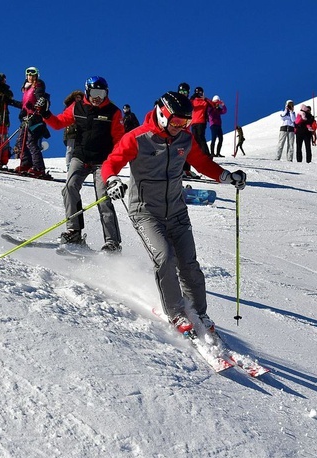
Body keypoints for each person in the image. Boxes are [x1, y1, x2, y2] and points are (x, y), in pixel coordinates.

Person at [100, 91, 247, 336]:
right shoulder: (137, 138)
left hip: (177, 212)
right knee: (165, 259)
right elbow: (111, 162)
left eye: (186, 123)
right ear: (161, 114)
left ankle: (199, 311)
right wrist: (112, 179)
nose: (180, 127)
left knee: (189, 265)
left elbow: (203, 163)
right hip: (146, 212)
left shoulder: (185, 140)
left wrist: (227, 177)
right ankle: (177, 312)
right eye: (176, 122)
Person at [41, 75, 124, 252]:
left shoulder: (113, 112)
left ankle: (112, 243)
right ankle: (74, 232)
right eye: (94, 92)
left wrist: (115, 167)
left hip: (103, 161)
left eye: (101, 93)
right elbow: (58, 123)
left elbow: (119, 141)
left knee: (103, 198)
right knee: (69, 187)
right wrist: (45, 113)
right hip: (80, 157)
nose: (97, 97)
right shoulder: (77, 107)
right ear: (87, 91)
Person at [14, 67, 51, 176]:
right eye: (29, 75)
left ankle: (39, 167)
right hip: (27, 118)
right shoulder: (26, 88)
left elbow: (40, 98)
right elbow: (24, 105)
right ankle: (27, 163)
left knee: (31, 142)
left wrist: (38, 104)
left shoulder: (38, 86)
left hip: (35, 118)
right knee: (21, 141)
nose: (31, 77)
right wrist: (10, 102)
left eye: (33, 75)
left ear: (36, 76)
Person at [62, 90, 84, 171]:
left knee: (77, 150)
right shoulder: (69, 107)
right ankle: (68, 166)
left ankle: (75, 167)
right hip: (71, 131)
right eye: (77, 97)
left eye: (80, 98)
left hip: (79, 131)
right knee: (70, 149)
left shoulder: (83, 108)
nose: (78, 99)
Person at [189, 86, 211, 156]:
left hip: (201, 122)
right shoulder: (193, 101)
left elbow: (212, 105)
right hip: (193, 122)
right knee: (195, 139)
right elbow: (187, 105)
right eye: (197, 93)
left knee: (200, 137)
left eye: (200, 93)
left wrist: (205, 98)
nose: (199, 94)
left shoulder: (205, 101)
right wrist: (192, 97)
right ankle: (200, 154)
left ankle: (206, 154)